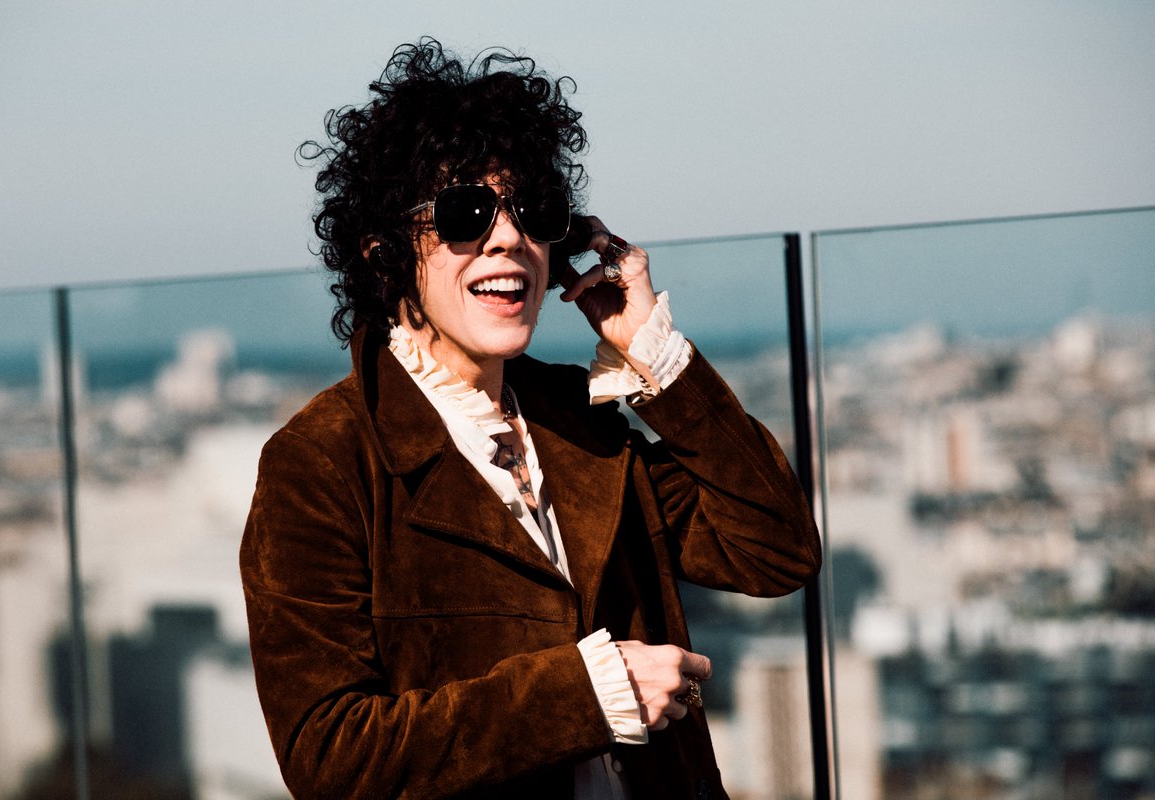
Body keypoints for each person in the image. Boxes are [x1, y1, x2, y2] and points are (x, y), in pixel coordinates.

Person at [240, 39, 821, 800]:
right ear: (384, 255)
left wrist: (651, 349)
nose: (509, 236)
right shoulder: (323, 462)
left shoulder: (577, 420)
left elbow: (774, 551)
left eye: (534, 210)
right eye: (465, 213)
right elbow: (331, 756)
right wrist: (588, 697)